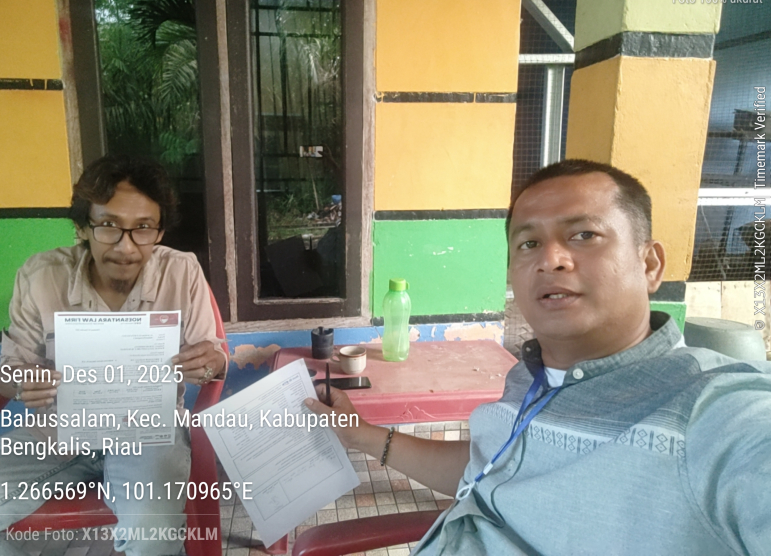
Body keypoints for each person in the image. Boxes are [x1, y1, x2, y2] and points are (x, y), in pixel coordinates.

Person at [306, 160, 771, 555]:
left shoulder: (714, 414)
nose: (551, 259)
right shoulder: (529, 377)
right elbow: (493, 465)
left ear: (649, 265)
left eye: (584, 235)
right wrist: (360, 435)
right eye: (528, 244)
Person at [0, 156, 228, 556]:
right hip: (56, 434)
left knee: (152, 536)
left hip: (148, 435)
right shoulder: (41, 276)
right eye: (109, 225)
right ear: (82, 227)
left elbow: (216, 359)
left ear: (159, 231)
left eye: (143, 228)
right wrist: (20, 383)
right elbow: (7, 375)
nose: (126, 247)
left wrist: (209, 363)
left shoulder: (182, 272)